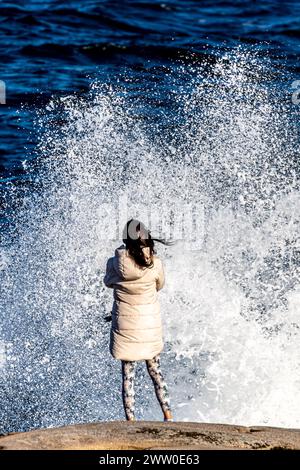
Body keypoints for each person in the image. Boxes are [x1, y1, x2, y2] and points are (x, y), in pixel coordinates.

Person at [104, 218, 173, 422]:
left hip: (126, 327)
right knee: (156, 372)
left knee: (128, 376)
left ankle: (130, 419)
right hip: (149, 327)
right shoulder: (155, 265)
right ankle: (168, 415)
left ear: (125, 240)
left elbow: (108, 282)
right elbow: (160, 285)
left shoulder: (114, 264)